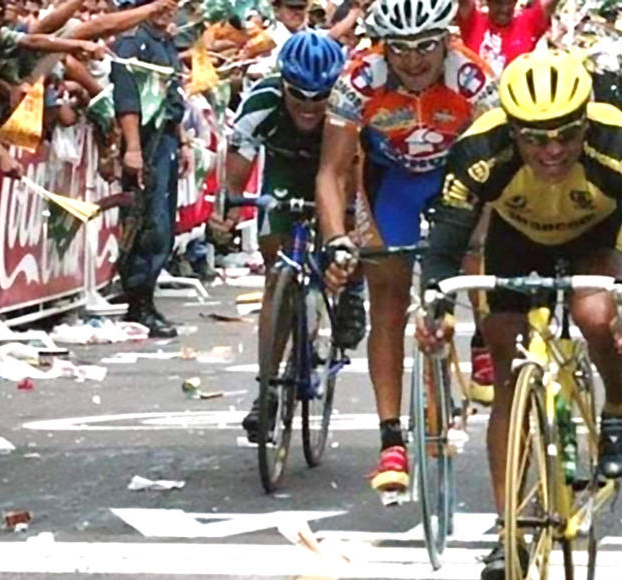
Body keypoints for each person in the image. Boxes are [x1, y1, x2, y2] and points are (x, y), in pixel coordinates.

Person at [416, 49, 622, 580]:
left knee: (593, 310)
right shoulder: (478, 152)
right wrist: (434, 308)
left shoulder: (621, 144)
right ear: (512, 130)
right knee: (508, 375)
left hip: (599, 240)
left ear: (587, 122)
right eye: (534, 138)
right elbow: (442, 250)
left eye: (566, 135)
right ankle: (508, 527)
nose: (552, 150)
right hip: (516, 242)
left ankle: (620, 412)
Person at [317, 0, 497, 498]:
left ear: (447, 39)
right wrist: (335, 240)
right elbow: (331, 173)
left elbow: (501, 169)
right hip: (390, 180)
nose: (414, 61)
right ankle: (391, 439)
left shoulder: (473, 78)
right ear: (382, 46)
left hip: (456, 175)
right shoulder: (359, 80)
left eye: (425, 48)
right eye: (400, 50)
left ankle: (483, 337)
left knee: (477, 252)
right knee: (388, 300)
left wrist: (483, 235)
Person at [217, 31, 361, 441]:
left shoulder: (349, 103)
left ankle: (352, 293)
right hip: (285, 174)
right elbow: (236, 171)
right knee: (277, 275)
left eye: (320, 97)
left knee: (355, 226)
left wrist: (351, 225)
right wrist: (226, 213)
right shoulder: (261, 102)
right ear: (282, 83)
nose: (310, 107)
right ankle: (266, 389)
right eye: (299, 95)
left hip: (339, 169)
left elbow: (361, 171)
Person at [456, 0, 560, 407]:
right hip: (481, 141)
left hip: (524, 140)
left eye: (507, 2)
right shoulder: (472, 21)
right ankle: (482, 341)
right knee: (477, 244)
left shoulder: (530, 19)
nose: (500, 9)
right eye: (494, 2)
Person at [110, 0, 194, 337]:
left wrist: (184, 141)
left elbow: (169, 99)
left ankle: (146, 298)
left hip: (166, 141)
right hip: (146, 143)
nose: (165, 10)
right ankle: (138, 303)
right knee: (148, 225)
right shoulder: (134, 41)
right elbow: (128, 97)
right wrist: (132, 148)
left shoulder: (165, 42)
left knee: (162, 223)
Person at [457, 0, 560, 78]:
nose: (504, 9)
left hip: (515, 101)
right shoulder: (473, 22)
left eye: (509, 3)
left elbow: (549, 4)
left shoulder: (527, 23)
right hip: (475, 102)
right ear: (488, 2)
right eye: (498, 2)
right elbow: (465, 3)